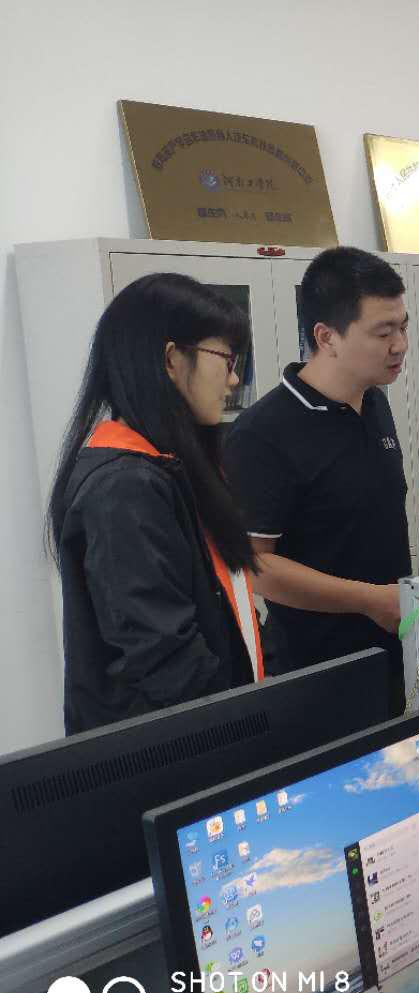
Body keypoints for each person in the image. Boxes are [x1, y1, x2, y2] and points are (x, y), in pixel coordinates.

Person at [49, 273, 262, 735]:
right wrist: (249, 729)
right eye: (226, 360)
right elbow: (167, 660)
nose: (234, 379)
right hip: (177, 747)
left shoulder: (169, 466)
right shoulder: (124, 487)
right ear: (171, 360)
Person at [223, 247, 412, 716]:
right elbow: (255, 565)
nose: (400, 345)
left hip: (394, 651)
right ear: (327, 337)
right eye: (383, 332)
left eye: (403, 327)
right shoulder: (265, 432)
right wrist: (369, 600)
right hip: (317, 673)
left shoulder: (374, 402)